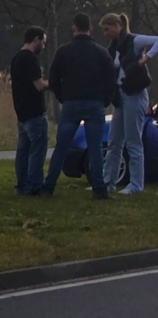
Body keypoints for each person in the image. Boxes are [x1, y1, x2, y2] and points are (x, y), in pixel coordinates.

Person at [43, 14, 117, 199]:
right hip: (95, 103)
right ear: (90, 28)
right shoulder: (101, 52)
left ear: (74, 27)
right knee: (95, 148)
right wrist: (104, 100)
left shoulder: (63, 51)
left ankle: (48, 186)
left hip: (71, 103)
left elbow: (53, 79)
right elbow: (111, 80)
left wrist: (63, 97)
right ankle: (99, 189)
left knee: (61, 147)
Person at [99, 13, 158, 195]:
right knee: (114, 141)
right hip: (120, 95)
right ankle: (108, 182)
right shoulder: (113, 47)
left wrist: (146, 58)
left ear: (116, 25)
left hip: (135, 95)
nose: (106, 33)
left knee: (133, 141)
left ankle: (136, 184)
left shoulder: (134, 41)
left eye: (107, 29)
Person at [11, 27, 49, 196]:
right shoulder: (30, 58)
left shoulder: (16, 58)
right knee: (37, 151)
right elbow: (39, 85)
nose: (43, 46)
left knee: (23, 151)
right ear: (36, 39)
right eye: (43, 42)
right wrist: (54, 83)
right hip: (35, 111)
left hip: (21, 112)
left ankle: (21, 185)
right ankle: (34, 186)